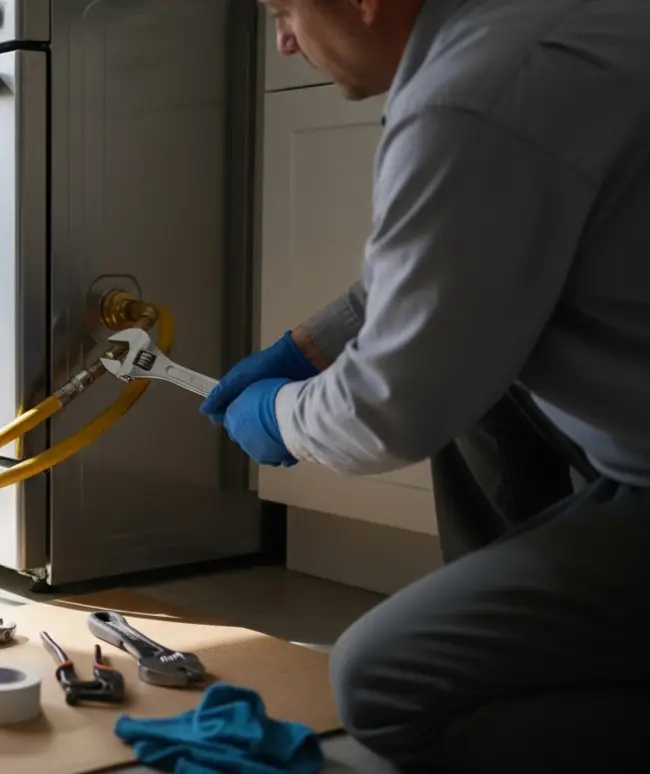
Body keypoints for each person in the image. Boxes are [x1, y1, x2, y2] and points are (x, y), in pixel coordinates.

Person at [201, 0, 650, 771]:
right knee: (479, 372)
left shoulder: (469, 98)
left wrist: (277, 416)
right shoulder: (514, 34)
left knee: (380, 684)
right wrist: (302, 351)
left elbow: (391, 407)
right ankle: (536, 639)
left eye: (285, 11)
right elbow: (450, 275)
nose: (284, 43)